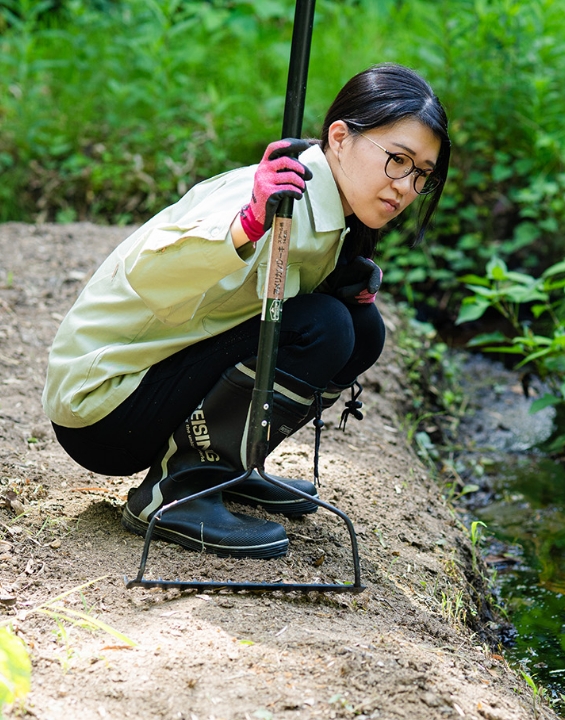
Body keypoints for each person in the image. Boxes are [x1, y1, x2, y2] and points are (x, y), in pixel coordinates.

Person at [42, 63, 450, 559]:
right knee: (324, 327)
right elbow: (147, 273)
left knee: (360, 329)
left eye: (421, 174)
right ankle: (175, 493)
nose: (406, 186)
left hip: (155, 389)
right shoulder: (271, 194)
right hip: (105, 402)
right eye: (398, 160)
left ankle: (228, 466)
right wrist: (246, 224)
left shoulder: (331, 212)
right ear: (339, 138)